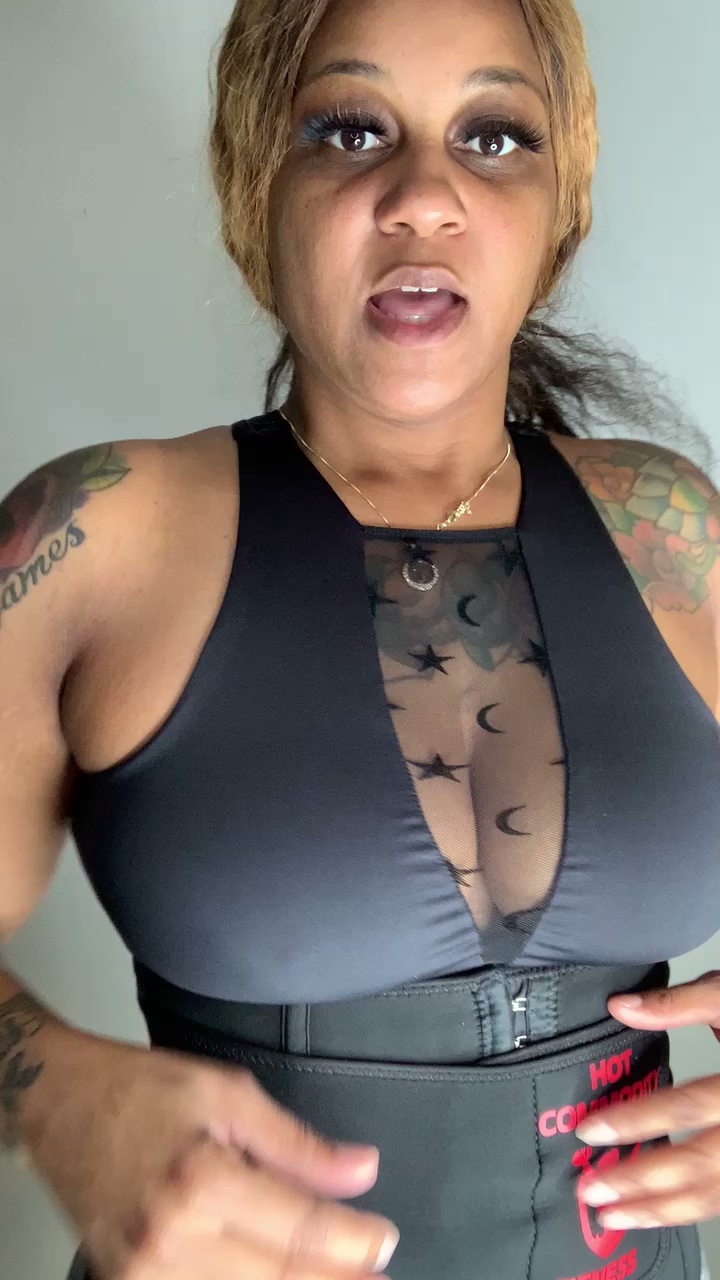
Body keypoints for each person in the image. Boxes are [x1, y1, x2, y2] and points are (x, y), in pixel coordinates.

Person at [1, 0, 718, 1277]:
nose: (424, 196)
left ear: (558, 206)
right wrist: (50, 1091)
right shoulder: (97, 533)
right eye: (349, 128)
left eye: (494, 136)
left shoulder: (672, 527)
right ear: (254, 182)